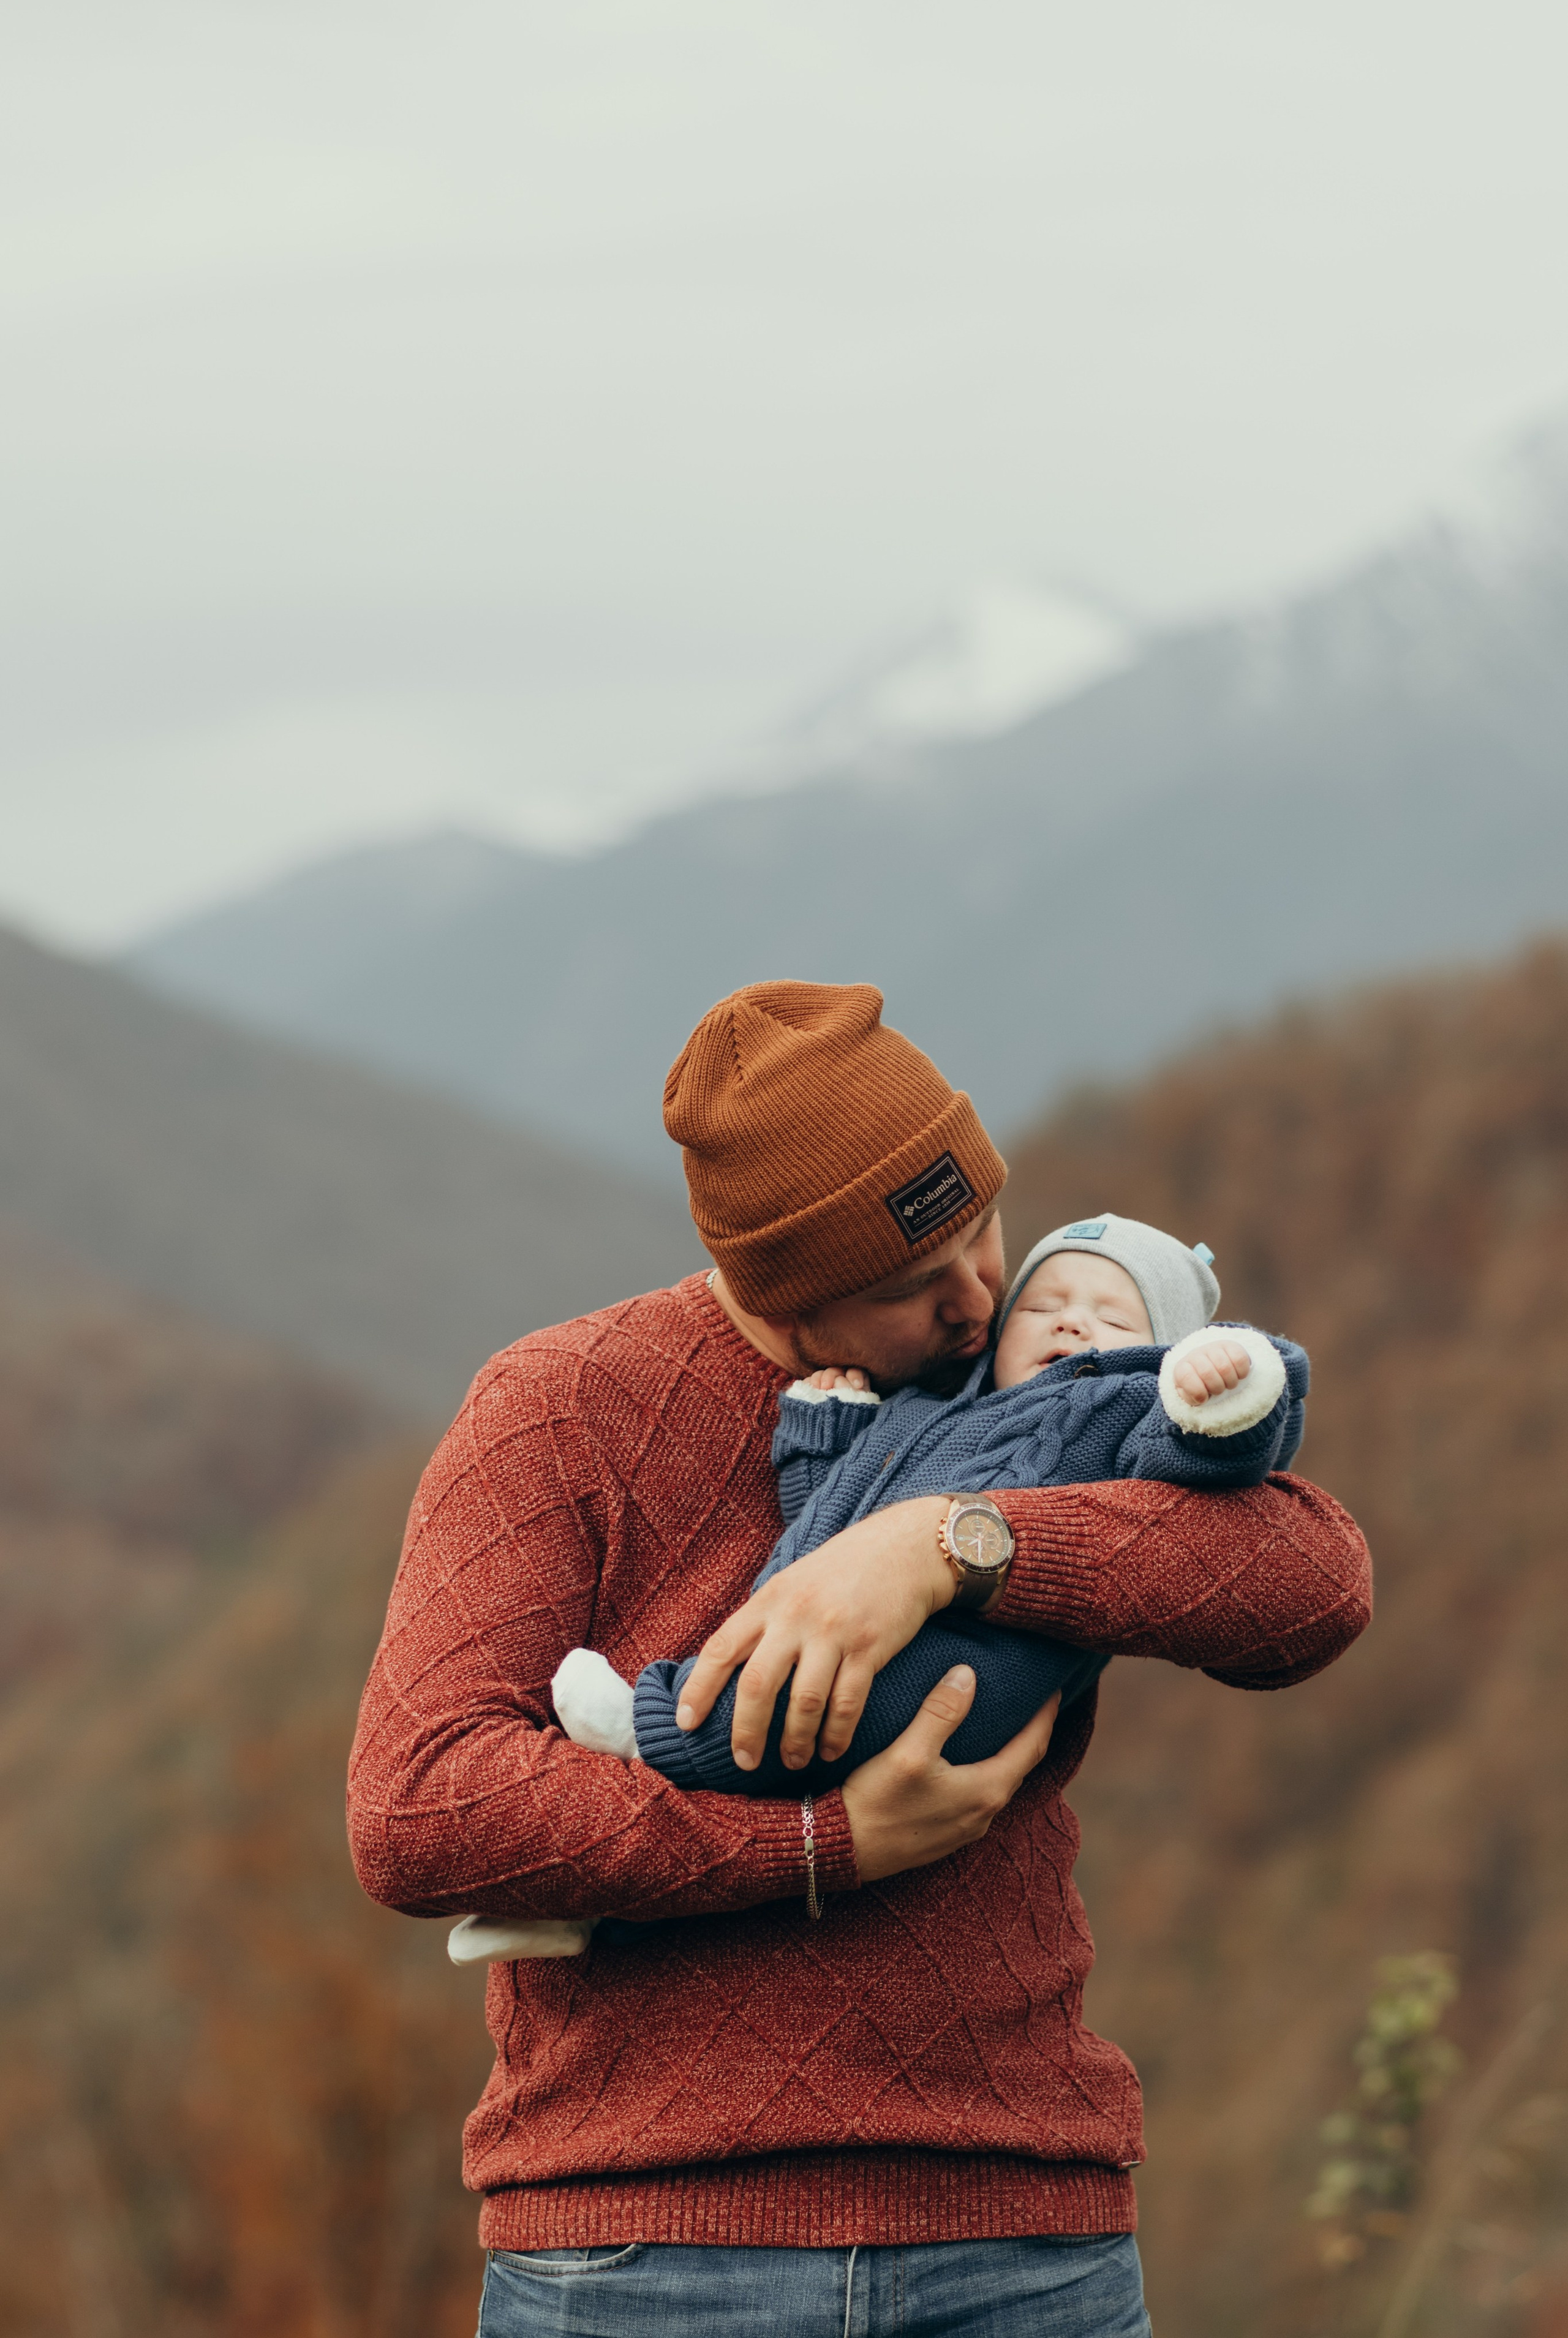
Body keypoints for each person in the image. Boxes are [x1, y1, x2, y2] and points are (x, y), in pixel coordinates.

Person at [347, 979, 1371, 2338]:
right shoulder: (559, 1407)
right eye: (908, 1286)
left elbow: (1308, 1583)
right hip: (651, 2253)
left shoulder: (1026, 1378)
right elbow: (421, 1804)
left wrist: (946, 1544)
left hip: (1019, 2234)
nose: (977, 1300)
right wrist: (818, 1846)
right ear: (780, 1295)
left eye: (981, 1229)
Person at [451, 1213, 1310, 1972]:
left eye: (1114, 1318)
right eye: (1045, 1305)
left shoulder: (1118, 1413)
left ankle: (651, 1731)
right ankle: (589, 1915)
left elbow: (1224, 1481)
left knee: (787, 1706)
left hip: (961, 1677)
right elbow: (831, 1518)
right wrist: (828, 1434)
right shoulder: (940, 1406)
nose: (1071, 1321)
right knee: (782, 1717)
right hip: (866, 1662)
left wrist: (1223, 1392)